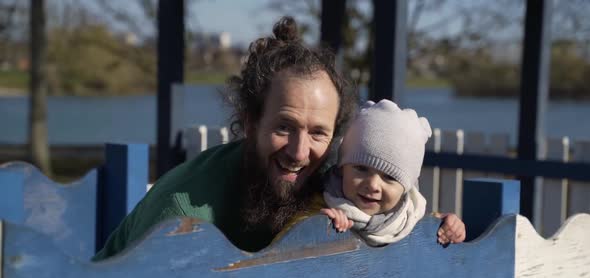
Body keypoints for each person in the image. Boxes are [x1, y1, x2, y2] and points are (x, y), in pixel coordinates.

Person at [93, 16, 463, 260]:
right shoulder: (184, 210)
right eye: (284, 127)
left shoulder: (331, 186)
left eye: (319, 132)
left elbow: (381, 220)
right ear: (250, 121)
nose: (300, 152)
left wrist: (432, 225)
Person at [319, 100, 466, 246]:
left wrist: (447, 224)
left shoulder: (410, 217)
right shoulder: (319, 199)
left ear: (405, 188)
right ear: (342, 168)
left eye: (389, 177)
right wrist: (321, 223)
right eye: (361, 169)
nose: (373, 185)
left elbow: (427, 224)